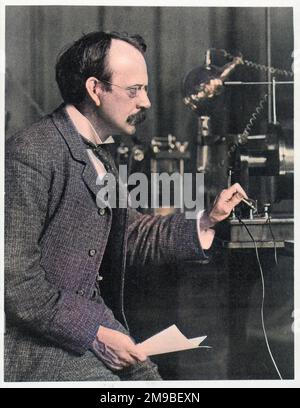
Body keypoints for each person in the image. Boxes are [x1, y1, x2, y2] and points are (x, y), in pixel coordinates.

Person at [5, 31, 247, 381]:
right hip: (36, 345)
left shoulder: (100, 154)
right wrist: (95, 333)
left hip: (91, 328)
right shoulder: (30, 154)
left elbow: (129, 233)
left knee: (155, 383)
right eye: (134, 91)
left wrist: (207, 220)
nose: (146, 102)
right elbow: (12, 281)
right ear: (95, 89)